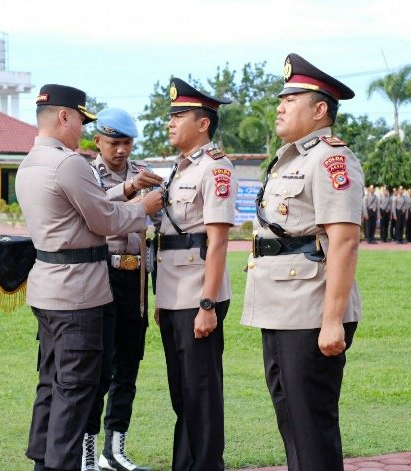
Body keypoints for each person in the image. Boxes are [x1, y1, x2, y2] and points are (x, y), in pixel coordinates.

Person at [15, 84, 163, 471]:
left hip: (48, 289)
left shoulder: (30, 162)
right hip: (78, 294)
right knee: (75, 393)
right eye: (81, 120)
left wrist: (127, 191)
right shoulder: (70, 163)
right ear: (64, 116)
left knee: (50, 387)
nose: (81, 129)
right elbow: (103, 220)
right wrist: (142, 207)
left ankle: (43, 464)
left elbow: (89, 208)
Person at [241, 52, 363, 471]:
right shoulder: (289, 159)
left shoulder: (331, 159)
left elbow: (344, 241)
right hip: (282, 307)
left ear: (319, 110)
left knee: (311, 426)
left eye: (291, 99)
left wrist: (333, 320)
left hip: (312, 311)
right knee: (292, 422)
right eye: (282, 98)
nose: (280, 105)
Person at [153, 77, 237, 471]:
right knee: (181, 396)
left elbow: (217, 243)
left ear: (203, 123)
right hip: (172, 296)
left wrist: (208, 303)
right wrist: (160, 301)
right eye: (170, 115)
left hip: (197, 296)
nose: (170, 122)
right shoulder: (178, 169)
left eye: (179, 115)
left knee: (201, 396)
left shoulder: (215, 168)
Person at [83, 108, 162, 471]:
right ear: (97, 141)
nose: (121, 151)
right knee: (99, 370)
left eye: (127, 143)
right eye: (114, 143)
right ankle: (85, 454)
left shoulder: (141, 171)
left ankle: (114, 450)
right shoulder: (85, 173)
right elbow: (95, 210)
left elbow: (158, 219)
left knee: (128, 365)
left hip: (136, 281)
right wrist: (130, 191)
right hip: (102, 276)